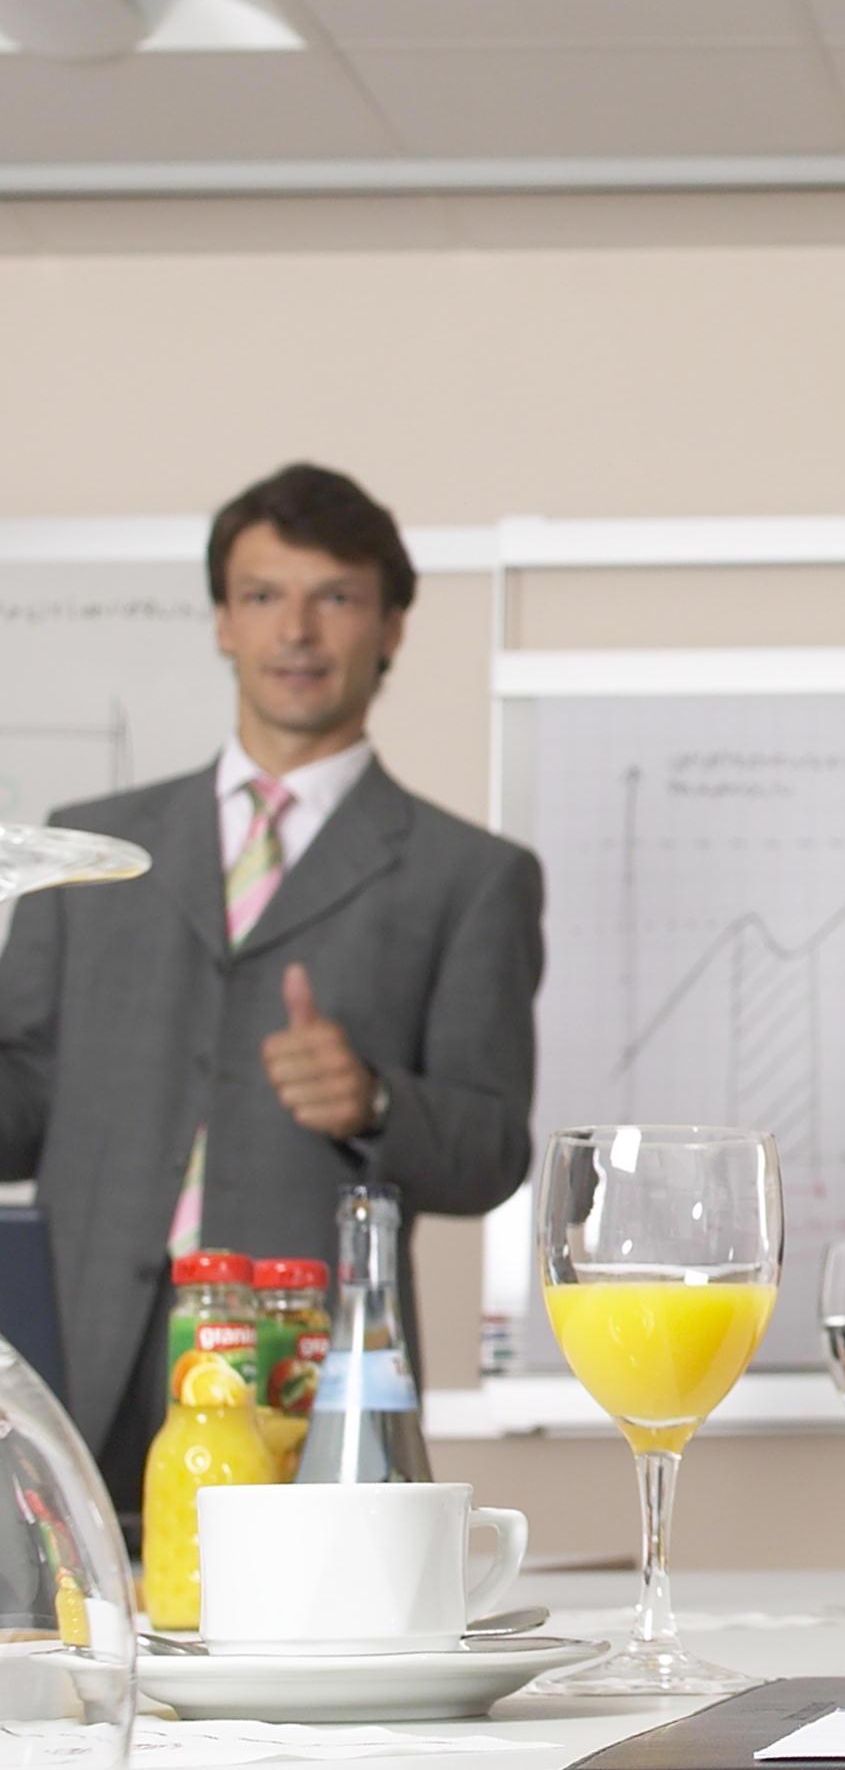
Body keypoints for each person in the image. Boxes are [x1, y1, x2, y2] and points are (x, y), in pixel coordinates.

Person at [0, 465, 544, 1515]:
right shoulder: (94, 845)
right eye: (263, 595)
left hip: (307, 1373)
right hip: (78, 1357)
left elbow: (491, 1153)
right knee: (57, 1658)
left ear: (389, 626)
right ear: (221, 621)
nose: (296, 629)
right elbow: (21, 1112)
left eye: (334, 597)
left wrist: (377, 1101)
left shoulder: (467, 875)